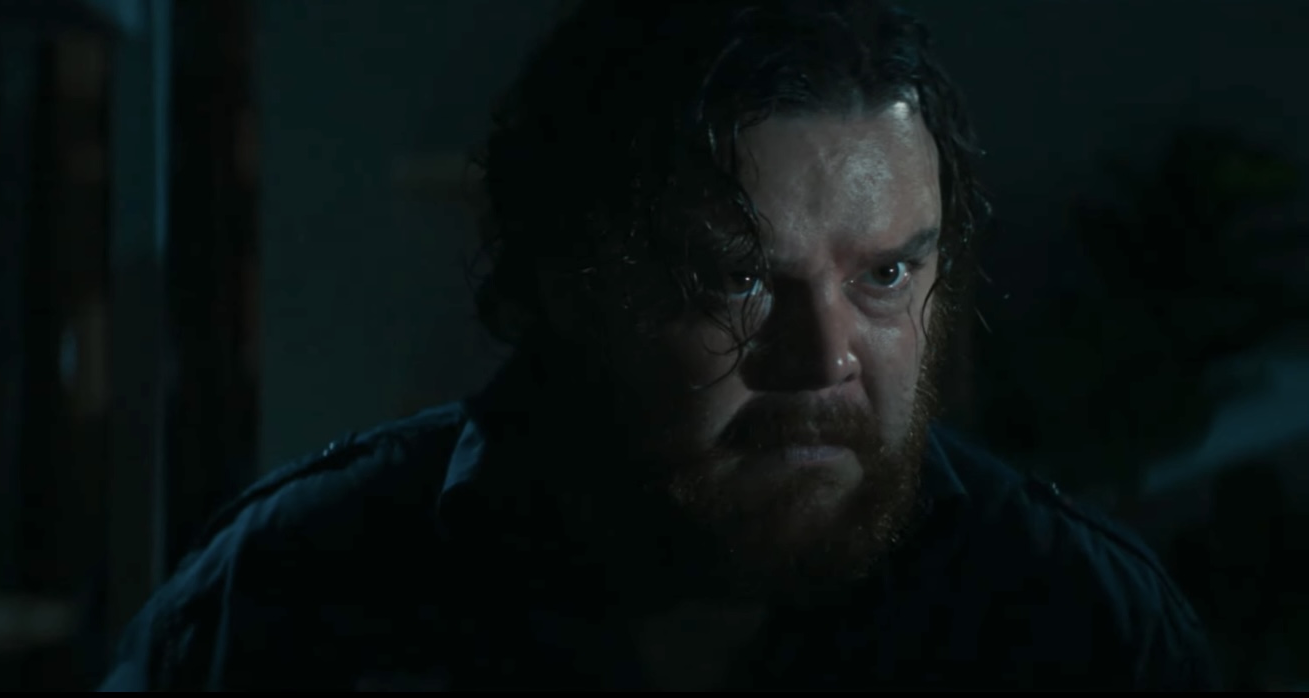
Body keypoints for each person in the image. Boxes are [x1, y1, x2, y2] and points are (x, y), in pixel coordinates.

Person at [100, 0, 1220, 690]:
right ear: (566, 283)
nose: (824, 356)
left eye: (884, 275)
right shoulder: (295, 587)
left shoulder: (1072, 619)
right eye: (737, 280)